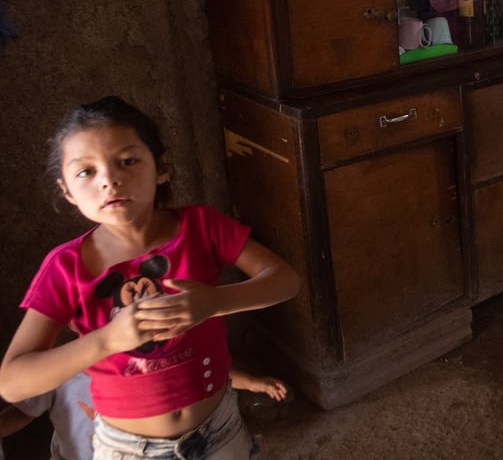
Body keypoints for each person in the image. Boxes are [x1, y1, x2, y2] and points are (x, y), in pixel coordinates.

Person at [0, 96, 301, 459]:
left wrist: (216, 302)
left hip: (220, 428)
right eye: (86, 171)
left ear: (161, 168)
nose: (109, 180)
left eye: (127, 161)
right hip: (130, 449)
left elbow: (285, 280)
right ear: (66, 191)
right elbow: (13, 382)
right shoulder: (65, 267)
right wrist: (108, 340)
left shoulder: (201, 227)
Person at [0, 370, 288, 460]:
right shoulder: (59, 372)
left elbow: (201, 372)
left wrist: (252, 382)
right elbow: (23, 413)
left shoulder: (144, 363)